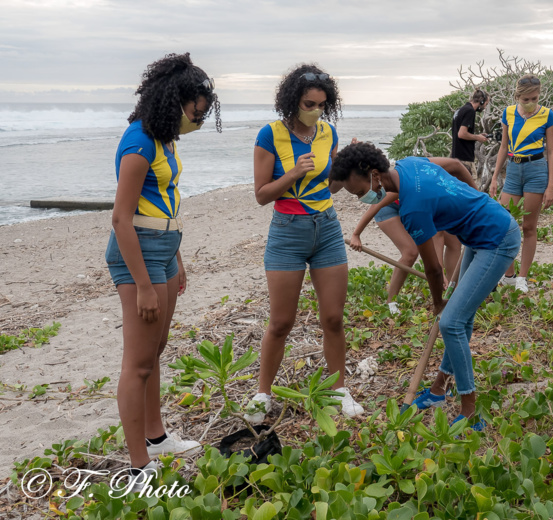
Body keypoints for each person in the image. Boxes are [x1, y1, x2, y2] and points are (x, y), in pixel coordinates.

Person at [331, 142, 521, 430]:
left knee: (451, 322)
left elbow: (433, 268)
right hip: (480, 233)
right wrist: (480, 197)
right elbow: (457, 165)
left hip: (497, 239)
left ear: (374, 175)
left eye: (360, 192)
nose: (363, 198)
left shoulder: (412, 209)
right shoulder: (409, 164)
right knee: (460, 319)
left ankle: (470, 411)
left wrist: (437, 303)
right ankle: (438, 391)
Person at [105, 53, 221, 488]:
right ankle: (139, 465)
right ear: (173, 102)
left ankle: (157, 438)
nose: (199, 118)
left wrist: (177, 260)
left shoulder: (164, 138)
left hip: (165, 251)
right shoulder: (139, 143)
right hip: (139, 256)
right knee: (137, 363)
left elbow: (163, 202)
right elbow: (121, 218)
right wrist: (143, 285)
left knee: (156, 350)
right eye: (196, 111)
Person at [246, 64, 363, 424]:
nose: (315, 111)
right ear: (292, 101)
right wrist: (294, 172)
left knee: (333, 318)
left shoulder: (329, 133)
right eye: (309, 104)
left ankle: (339, 389)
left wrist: (347, 168)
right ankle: (263, 394)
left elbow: (329, 188)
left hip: (326, 228)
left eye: (322, 105)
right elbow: (262, 195)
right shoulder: (271, 135)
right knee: (281, 322)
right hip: (287, 231)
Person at [349, 159, 478, 315]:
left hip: (413, 206)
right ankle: (391, 301)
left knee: (455, 242)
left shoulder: (440, 189)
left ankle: (453, 290)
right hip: (388, 209)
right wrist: (356, 234)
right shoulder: (413, 185)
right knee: (410, 252)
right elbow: (377, 205)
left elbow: (457, 166)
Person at [489, 74, 553, 293]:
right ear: (518, 96)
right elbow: (502, 147)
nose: (530, 103)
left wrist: (551, 186)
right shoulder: (508, 112)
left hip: (536, 169)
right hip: (513, 168)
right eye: (525, 99)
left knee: (529, 226)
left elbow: (552, 151)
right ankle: (508, 275)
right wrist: (494, 177)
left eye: (534, 98)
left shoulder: (547, 114)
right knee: (504, 223)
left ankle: (522, 278)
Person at [451, 89, 490, 179]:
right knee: (472, 188)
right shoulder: (470, 111)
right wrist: (478, 137)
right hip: (465, 159)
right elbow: (462, 134)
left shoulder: (460, 110)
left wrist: (478, 135)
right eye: (486, 104)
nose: (484, 107)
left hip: (456, 157)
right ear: (482, 101)